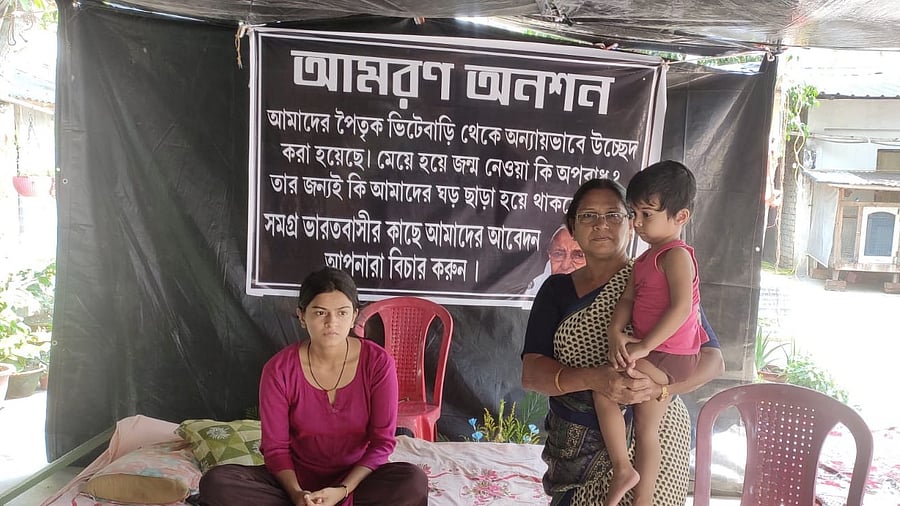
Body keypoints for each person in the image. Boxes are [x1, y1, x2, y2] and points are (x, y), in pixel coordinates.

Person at [520, 178, 725, 506]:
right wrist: (595, 379)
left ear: (632, 225)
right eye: (588, 216)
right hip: (576, 449)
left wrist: (659, 390)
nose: (601, 224)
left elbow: (713, 360)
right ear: (572, 227)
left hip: (653, 439)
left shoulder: (660, 279)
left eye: (614, 215)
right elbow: (531, 374)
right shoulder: (556, 291)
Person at [198, 267, 428, 506]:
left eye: (342, 313)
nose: (332, 322)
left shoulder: (378, 363)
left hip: (356, 481)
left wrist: (342, 490)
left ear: (354, 317)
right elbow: (275, 450)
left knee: (412, 482)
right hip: (293, 483)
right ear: (301, 315)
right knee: (217, 483)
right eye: (320, 313)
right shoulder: (279, 370)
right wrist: (298, 495)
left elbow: (382, 443)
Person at [599, 161, 708, 505]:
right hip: (654, 354)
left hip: (673, 357)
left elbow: (682, 309)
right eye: (634, 213)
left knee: (605, 386)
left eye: (647, 214)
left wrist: (644, 345)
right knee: (645, 428)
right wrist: (617, 331)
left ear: (681, 217)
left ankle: (623, 470)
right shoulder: (645, 259)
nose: (638, 223)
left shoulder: (676, 256)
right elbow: (628, 299)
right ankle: (639, 496)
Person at [525, 225, 587, 296]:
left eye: (578, 256)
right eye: (558, 254)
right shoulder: (534, 290)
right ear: (549, 255)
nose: (565, 266)